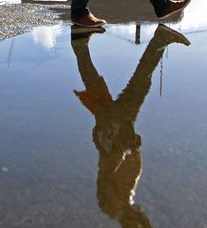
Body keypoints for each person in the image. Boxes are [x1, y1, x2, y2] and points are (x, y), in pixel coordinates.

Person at [71, 24, 191, 227]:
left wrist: (125, 149)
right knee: (132, 85)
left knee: (135, 86)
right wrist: (133, 148)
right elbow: (129, 169)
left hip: (113, 134)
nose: (143, 217)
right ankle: (80, 44)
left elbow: (110, 171)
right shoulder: (121, 201)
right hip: (117, 134)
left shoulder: (113, 205)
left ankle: (158, 41)